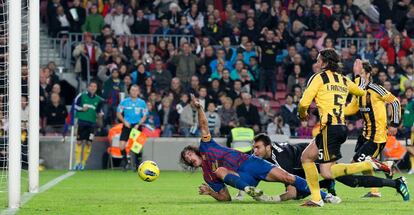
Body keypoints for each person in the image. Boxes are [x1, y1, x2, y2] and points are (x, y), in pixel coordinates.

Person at [179, 95, 339, 203]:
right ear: (190, 164)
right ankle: (249, 189)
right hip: (241, 178)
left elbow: (204, 125)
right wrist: (211, 193)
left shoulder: (206, 146)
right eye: (187, 159)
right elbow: (225, 197)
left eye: (189, 153)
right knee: (219, 171)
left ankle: (326, 197)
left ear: (195, 151)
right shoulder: (208, 176)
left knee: (288, 178)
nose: (189, 157)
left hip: (250, 163)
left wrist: (200, 108)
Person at [298, 50, 392, 207]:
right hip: (338, 127)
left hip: (330, 127)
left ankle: (371, 164)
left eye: (319, 60)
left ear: (326, 63)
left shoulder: (319, 78)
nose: (316, 63)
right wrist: (356, 75)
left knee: (327, 172)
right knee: (306, 157)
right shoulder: (342, 79)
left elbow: (303, 103)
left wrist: (302, 114)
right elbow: (360, 91)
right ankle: (316, 198)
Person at [244, 134, 409, 202]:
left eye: (258, 147)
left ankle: (394, 181)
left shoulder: (280, 158)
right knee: (303, 188)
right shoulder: (271, 154)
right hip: (306, 162)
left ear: (268, 147)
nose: (255, 151)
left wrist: (270, 199)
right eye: (254, 147)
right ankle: (328, 185)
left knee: (351, 181)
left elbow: (291, 191)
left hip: (316, 159)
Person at [116, 85, 148, 170]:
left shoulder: (142, 103)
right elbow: (118, 113)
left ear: (138, 92)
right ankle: (125, 162)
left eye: (136, 90)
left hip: (137, 125)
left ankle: (138, 165)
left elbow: (145, 115)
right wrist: (124, 121)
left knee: (138, 148)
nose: (134, 92)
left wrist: (138, 124)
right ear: (129, 91)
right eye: (132, 90)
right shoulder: (124, 102)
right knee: (121, 146)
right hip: (127, 125)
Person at [74, 81, 104, 170]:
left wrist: (100, 115)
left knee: (88, 143)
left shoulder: (99, 99)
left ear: (96, 88)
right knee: (79, 142)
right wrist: (81, 109)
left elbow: (99, 111)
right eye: (91, 86)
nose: (93, 88)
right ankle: (77, 162)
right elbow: (74, 106)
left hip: (92, 124)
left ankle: (83, 164)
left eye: (95, 86)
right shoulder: (81, 96)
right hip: (82, 122)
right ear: (88, 87)